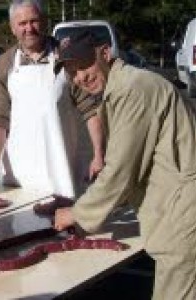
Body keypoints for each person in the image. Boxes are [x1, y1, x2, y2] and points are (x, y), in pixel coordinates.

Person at [54, 29, 196, 300]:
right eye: (72, 72)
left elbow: (120, 170)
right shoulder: (122, 88)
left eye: (84, 65)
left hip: (184, 214)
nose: (80, 77)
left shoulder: (133, 89)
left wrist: (77, 213)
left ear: (105, 53)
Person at [0, 0, 105, 197]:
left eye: (34, 21)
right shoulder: (4, 63)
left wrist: (98, 155)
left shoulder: (65, 57)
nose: (29, 28)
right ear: (12, 28)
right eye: (22, 23)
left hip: (63, 165)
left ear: (44, 22)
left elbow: (90, 109)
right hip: (20, 170)